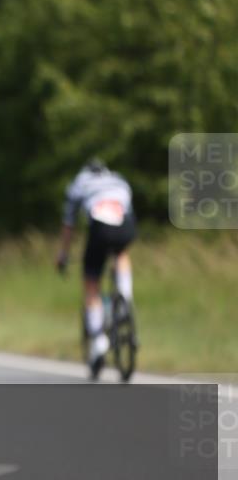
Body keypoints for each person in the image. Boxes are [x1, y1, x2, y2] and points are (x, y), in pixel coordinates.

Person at [56, 159, 136, 376]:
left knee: (91, 282)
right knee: (121, 253)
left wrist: (63, 254)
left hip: (100, 228)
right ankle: (125, 296)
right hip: (126, 224)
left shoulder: (79, 183)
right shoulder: (118, 179)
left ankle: (99, 342)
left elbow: (69, 224)